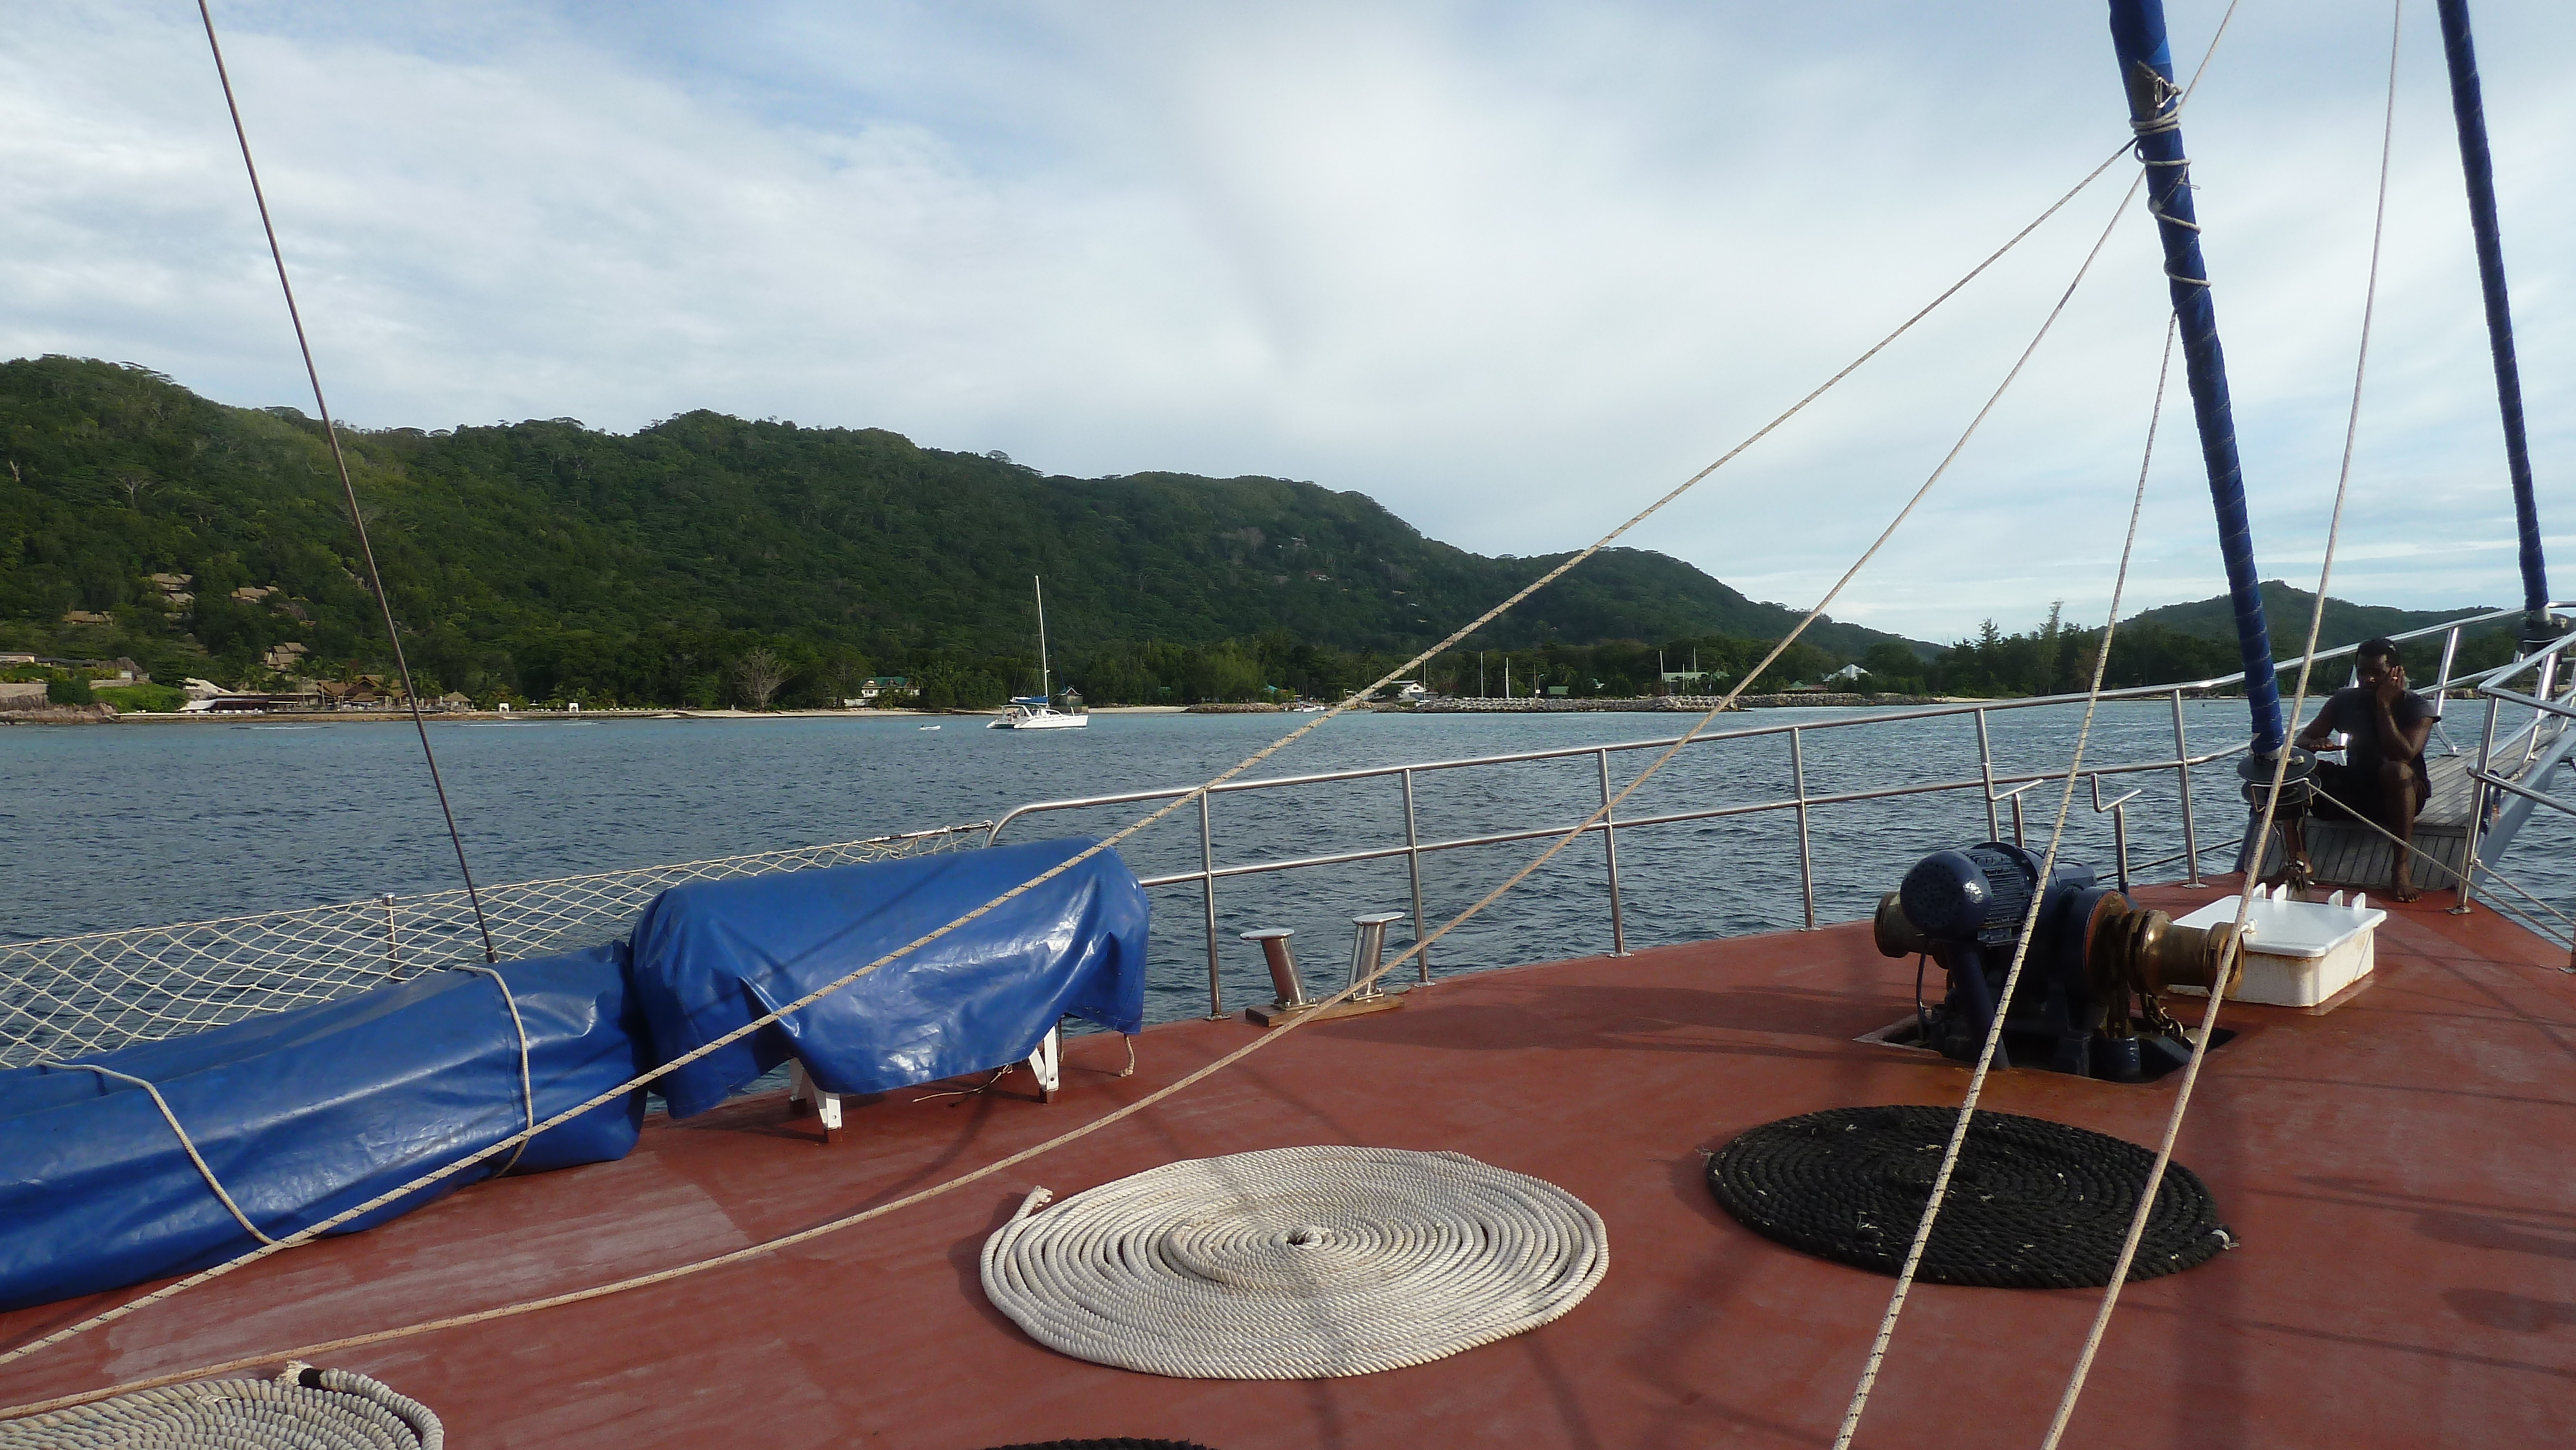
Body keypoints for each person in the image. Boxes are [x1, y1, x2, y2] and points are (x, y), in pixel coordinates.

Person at [2284, 637, 2435, 900]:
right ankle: (2299, 861)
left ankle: (2400, 867)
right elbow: (2303, 741)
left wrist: (2384, 706)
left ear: (2396, 673)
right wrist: (2316, 744)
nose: (2369, 680)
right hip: (2357, 786)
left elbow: (2403, 754)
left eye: (2377, 673)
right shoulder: (2344, 700)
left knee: (2396, 771)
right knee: (2292, 768)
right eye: (2363, 673)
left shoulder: (2417, 707)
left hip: (2400, 793)